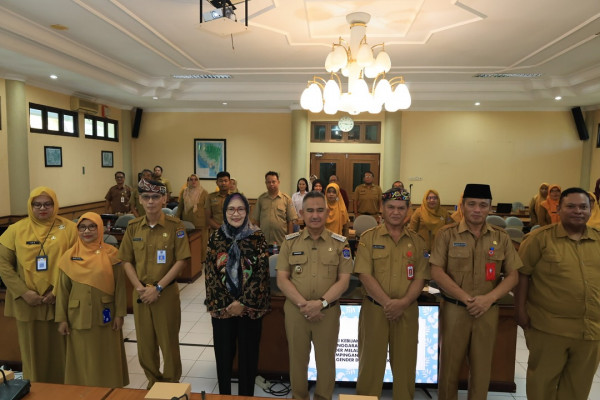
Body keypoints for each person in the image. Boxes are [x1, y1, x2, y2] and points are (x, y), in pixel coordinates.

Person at [430, 183, 522, 400]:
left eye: (483, 205)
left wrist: (488, 299)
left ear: (490, 208)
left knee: (482, 368)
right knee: (449, 367)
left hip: (487, 311)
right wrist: (465, 298)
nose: (477, 210)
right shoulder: (447, 234)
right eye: (471, 204)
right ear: (462, 206)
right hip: (454, 309)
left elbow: (513, 275)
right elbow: (436, 271)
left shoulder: (501, 237)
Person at [515, 187, 600, 400]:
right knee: (542, 384)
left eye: (583, 207)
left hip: (591, 330)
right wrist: (520, 312)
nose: (578, 211)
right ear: (559, 209)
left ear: (590, 210)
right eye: (571, 206)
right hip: (549, 327)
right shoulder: (539, 239)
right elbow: (522, 275)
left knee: (578, 387)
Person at [354, 188, 429, 400]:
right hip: (375, 310)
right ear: (382, 208)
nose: (396, 212)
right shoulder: (368, 238)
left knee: (405, 366)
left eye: (401, 208)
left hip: (407, 311)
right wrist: (389, 303)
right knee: (370, 365)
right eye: (391, 207)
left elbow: (420, 278)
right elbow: (364, 275)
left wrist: (402, 303)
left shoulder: (418, 242)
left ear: (408, 210)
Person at [276, 191, 352, 400]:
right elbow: (282, 279)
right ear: (302, 213)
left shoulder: (340, 243)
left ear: (327, 213)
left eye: (320, 210)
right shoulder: (290, 242)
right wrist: (305, 305)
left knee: (326, 361)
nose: (315, 215)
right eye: (310, 211)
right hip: (296, 312)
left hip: (327, 312)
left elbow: (344, 281)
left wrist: (321, 303)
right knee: (297, 360)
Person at [118, 178, 191, 388]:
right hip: (141, 293)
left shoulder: (175, 226)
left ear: (164, 199)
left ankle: (171, 384)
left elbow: (182, 260)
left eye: (156, 197)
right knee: (145, 343)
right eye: (146, 197)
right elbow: (125, 260)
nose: (151, 201)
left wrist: (158, 288)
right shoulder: (133, 227)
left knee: (168, 342)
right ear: (140, 200)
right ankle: (153, 382)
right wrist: (139, 288)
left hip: (165, 293)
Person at [0, 187, 78, 383]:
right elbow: (3, 264)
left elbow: (77, 261)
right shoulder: (16, 229)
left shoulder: (69, 228)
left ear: (55, 205)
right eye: (37, 204)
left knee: (62, 352)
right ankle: (37, 390)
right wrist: (24, 292)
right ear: (30, 206)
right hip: (27, 302)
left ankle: (64, 392)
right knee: (32, 353)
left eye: (47, 204)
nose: (42, 208)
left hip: (59, 301)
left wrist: (57, 290)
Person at [205, 193, 270, 396]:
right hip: (222, 309)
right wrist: (228, 304)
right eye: (231, 209)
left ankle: (246, 396)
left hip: (249, 309)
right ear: (225, 212)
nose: (236, 213)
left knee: (248, 358)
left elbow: (261, 273)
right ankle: (224, 395)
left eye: (241, 209)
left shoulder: (257, 237)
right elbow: (210, 274)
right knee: (224, 357)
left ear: (247, 211)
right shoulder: (216, 237)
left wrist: (242, 303)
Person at [55, 212, 129, 387]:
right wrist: (62, 319)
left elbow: (120, 287)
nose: (86, 231)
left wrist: (120, 314)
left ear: (100, 228)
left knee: (106, 356)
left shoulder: (112, 254)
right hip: (78, 317)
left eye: (91, 227)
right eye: (82, 227)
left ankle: (110, 390)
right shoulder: (69, 256)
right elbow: (63, 291)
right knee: (82, 358)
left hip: (105, 316)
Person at [251, 171, 298, 246]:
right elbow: (256, 221)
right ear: (266, 183)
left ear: (278, 182)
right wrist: (257, 238)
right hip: (264, 243)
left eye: (273, 182)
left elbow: (290, 221)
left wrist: (289, 240)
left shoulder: (286, 199)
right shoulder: (261, 199)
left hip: (281, 242)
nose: (271, 184)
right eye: (268, 182)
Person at [176, 174, 209, 261]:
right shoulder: (184, 192)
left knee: (202, 243)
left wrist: (209, 222)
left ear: (198, 181)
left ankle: (202, 261)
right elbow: (180, 207)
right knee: (188, 243)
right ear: (188, 181)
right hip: (187, 222)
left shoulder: (204, 192)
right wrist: (176, 219)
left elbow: (208, 208)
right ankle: (191, 262)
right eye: (191, 179)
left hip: (201, 222)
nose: (193, 181)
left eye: (195, 179)